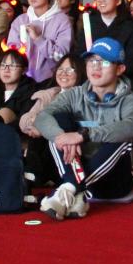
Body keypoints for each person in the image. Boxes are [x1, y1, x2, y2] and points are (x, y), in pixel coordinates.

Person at [35, 38, 133, 219]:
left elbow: (131, 127)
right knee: (58, 120)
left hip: (113, 183)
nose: (96, 67)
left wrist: (83, 135)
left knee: (121, 136)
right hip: (76, 168)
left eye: (104, 62)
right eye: (91, 61)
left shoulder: (129, 101)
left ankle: (69, 188)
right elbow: (42, 117)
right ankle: (75, 192)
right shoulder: (74, 94)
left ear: (120, 69)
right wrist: (61, 136)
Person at [72, 0, 133, 101]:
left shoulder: (131, 26)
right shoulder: (89, 25)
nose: (101, 0)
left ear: (118, 1)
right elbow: (80, 54)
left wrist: (108, 74)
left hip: (122, 87)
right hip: (92, 84)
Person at [20, 54, 86, 184]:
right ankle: (34, 173)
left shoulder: (84, 96)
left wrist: (43, 127)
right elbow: (24, 121)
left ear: (80, 72)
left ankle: (42, 174)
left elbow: (87, 123)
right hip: (45, 149)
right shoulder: (49, 94)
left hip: (71, 146)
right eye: (60, 69)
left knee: (58, 119)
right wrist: (35, 124)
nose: (63, 73)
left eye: (70, 69)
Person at [7, 0, 72, 83]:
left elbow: (60, 56)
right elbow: (11, 52)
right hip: (22, 80)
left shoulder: (62, 20)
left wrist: (38, 39)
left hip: (51, 80)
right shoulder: (21, 20)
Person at [0, 48, 39, 126]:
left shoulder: (31, 92)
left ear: (24, 70)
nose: (6, 70)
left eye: (12, 66)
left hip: (13, 131)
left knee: (5, 113)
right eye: (3, 65)